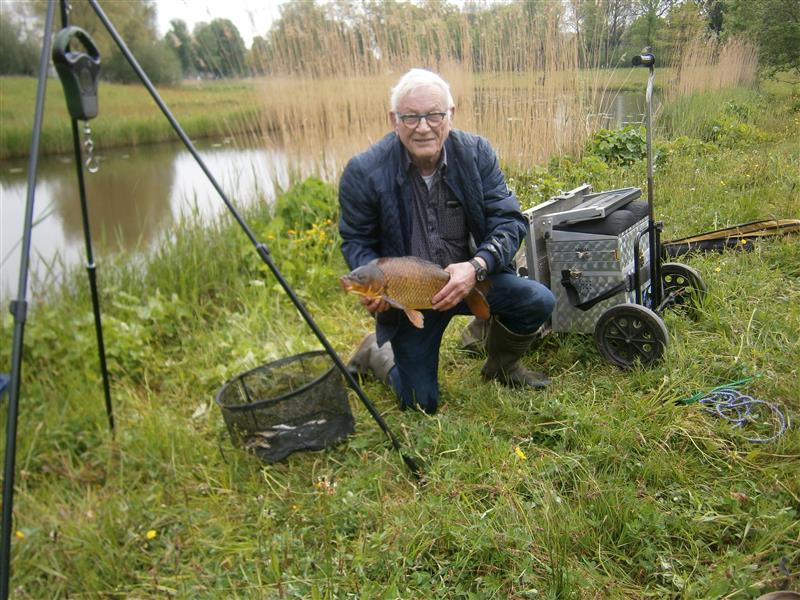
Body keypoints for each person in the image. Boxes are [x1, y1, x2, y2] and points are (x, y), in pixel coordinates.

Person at [338, 68, 555, 415]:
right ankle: (377, 353)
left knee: (537, 300)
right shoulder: (364, 171)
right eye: (411, 117)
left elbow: (509, 221)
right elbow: (356, 240)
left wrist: (476, 266)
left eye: (434, 115)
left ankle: (502, 366)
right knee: (419, 404)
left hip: (471, 280)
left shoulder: (477, 154)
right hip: (410, 296)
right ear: (394, 120)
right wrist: (374, 285)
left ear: (450, 114)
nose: (423, 127)